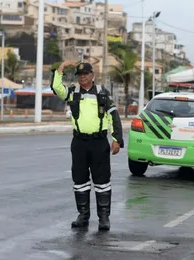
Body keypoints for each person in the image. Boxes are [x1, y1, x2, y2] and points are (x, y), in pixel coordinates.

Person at [50, 60, 124, 231]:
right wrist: (61, 67)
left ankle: (104, 218)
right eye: (79, 75)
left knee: (102, 181)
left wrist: (116, 139)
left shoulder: (103, 94)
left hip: (99, 143)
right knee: (80, 180)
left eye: (85, 75)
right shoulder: (71, 93)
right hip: (79, 143)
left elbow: (114, 118)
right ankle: (83, 215)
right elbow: (56, 87)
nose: (82, 78)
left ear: (92, 76)